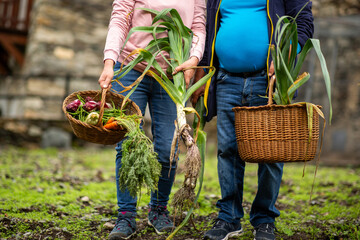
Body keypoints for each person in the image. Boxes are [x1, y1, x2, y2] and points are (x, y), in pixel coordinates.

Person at [189, 0, 314, 240]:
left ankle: (264, 219)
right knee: (227, 150)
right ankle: (228, 217)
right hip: (226, 79)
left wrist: (286, 55)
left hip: (269, 82)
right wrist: (203, 70)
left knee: (271, 153)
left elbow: (304, 21)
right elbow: (208, 27)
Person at [97, 1, 206, 239]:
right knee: (127, 143)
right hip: (131, 68)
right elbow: (120, 19)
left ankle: (158, 210)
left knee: (168, 145)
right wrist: (109, 61)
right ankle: (125, 216)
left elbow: (198, 26)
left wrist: (194, 58)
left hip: (171, 75)